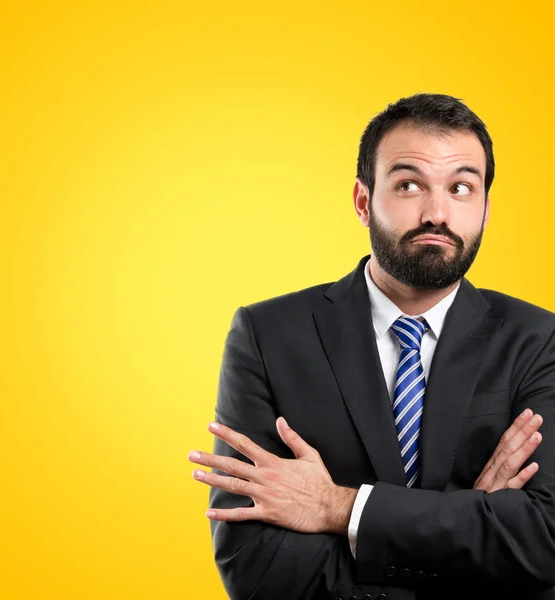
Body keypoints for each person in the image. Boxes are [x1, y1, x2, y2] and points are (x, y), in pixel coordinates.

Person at [187, 93, 555, 600]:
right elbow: (256, 568)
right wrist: (468, 526)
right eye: (409, 185)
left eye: (462, 188)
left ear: (486, 210)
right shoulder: (267, 335)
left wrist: (339, 508)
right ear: (364, 201)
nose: (437, 213)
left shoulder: (539, 340)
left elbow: (543, 543)